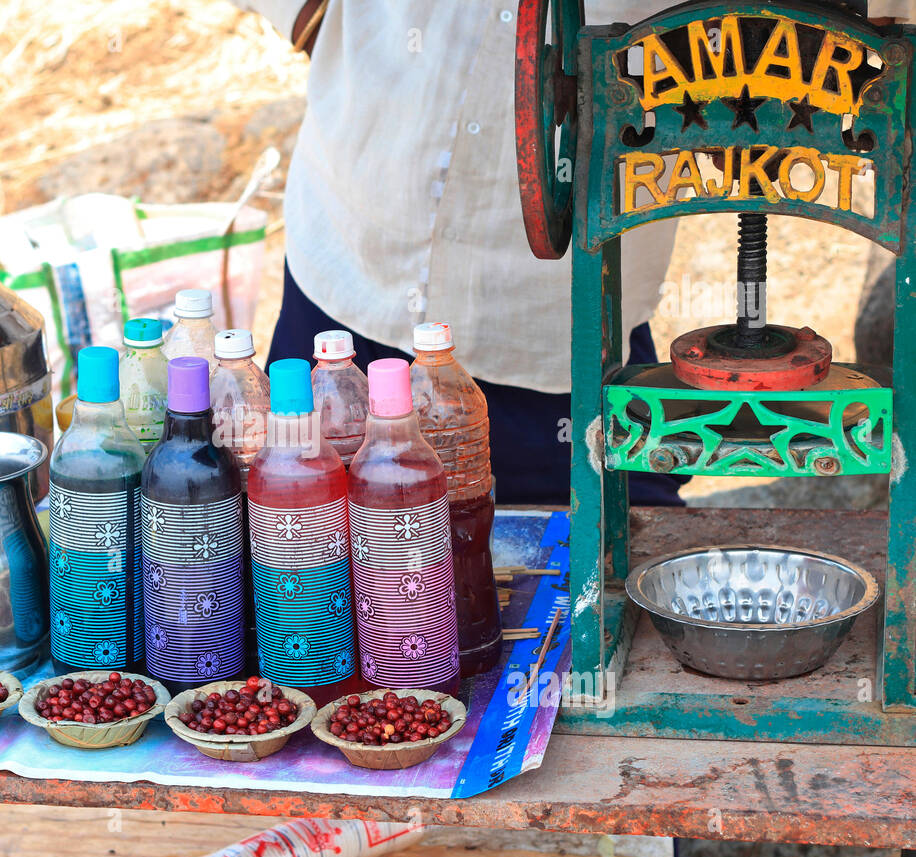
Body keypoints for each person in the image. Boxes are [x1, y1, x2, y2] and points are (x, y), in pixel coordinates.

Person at [230, 0, 909, 506]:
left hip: (558, 334)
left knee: (591, 585)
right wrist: (308, 15)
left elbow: (876, 39)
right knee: (314, 560)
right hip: (352, 263)